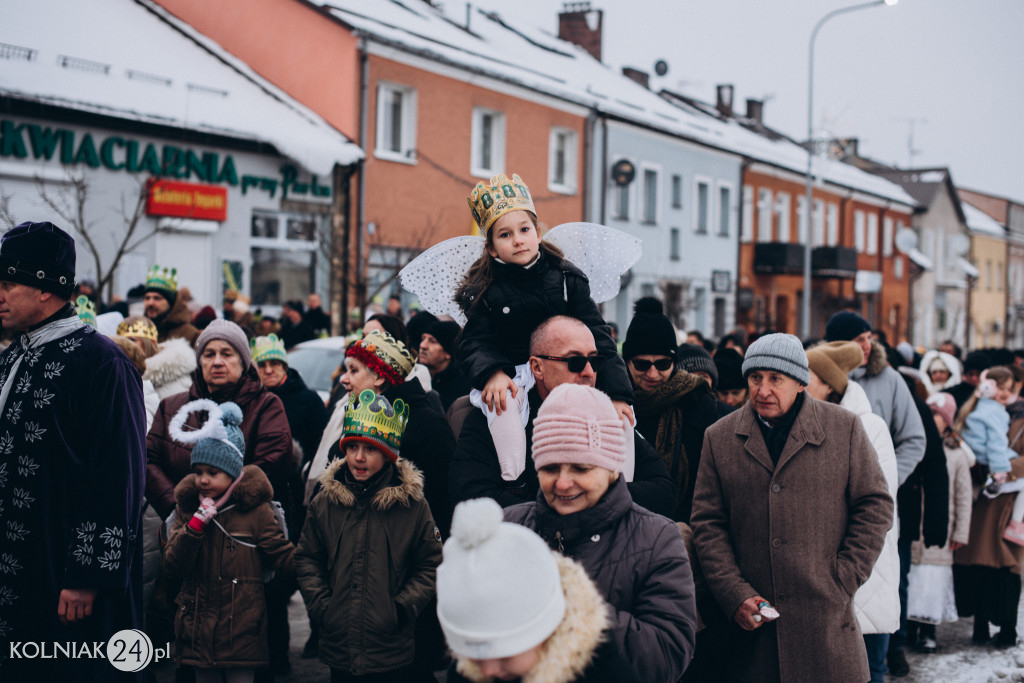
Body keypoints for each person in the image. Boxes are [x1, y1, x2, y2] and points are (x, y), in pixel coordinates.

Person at [691, 333, 893, 683]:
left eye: (775, 379)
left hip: (827, 628)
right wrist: (734, 593)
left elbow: (874, 505)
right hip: (751, 634)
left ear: (800, 382)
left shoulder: (843, 428)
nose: (763, 390)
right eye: (755, 378)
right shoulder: (719, 437)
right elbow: (708, 524)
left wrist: (844, 576)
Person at [0, 221, 146, 679]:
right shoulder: (11, 356)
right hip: (13, 566)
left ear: (45, 289)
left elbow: (119, 474)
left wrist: (87, 575)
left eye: (7, 284)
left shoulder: (102, 362)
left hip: (63, 576)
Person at [503, 384, 697, 682]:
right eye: (550, 468)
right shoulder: (509, 529)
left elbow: (665, 658)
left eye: (581, 469)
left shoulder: (659, 540)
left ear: (612, 469)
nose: (563, 483)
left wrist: (575, 608)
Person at [454, 173, 633, 487]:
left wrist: (618, 394)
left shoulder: (565, 278)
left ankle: (625, 485)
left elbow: (598, 334)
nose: (518, 240)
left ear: (537, 232)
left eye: (524, 230)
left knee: (621, 418)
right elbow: (474, 342)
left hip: (568, 368)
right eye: (505, 235)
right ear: (493, 248)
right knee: (503, 406)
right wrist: (492, 373)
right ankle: (515, 478)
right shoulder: (485, 291)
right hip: (512, 375)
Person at [450, 315, 676, 518]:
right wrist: (558, 515)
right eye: (574, 361)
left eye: (595, 361)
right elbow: (471, 497)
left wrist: (595, 496)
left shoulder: (607, 415)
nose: (588, 372)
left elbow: (664, 492)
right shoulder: (499, 414)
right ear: (537, 367)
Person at [296, 389, 442, 683]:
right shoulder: (325, 502)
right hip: (340, 647)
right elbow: (307, 558)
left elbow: (431, 564)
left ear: (388, 454)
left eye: (371, 449)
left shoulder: (411, 506)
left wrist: (401, 608)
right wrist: (324, 607)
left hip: (392, 647)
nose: (359, 458)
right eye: (352, 448)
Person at [439, 498, 642, 683]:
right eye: (472, 655)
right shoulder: (466, 674)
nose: (487, 671)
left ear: (546, 629)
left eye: (505, 655)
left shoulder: (603, 672)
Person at [163, 400, 295, 682]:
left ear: (234, 472)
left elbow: (281, 554)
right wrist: (194, 528)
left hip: (241, 629)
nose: (203, 480)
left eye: (213, 472)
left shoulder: (256, 511)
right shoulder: (187, 508)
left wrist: (311, 570)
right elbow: (173, 564)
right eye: (198, 472)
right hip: (197, 627)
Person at [805, 341, 900, 683]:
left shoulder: (870, 426)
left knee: (868, 669)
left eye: (808, 375)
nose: (798, 381)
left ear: (829, 384)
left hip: (864, 571)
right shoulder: (801, 422)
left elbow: (878, 500)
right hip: (821, 575)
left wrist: (846, 570)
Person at [622, 298, 722, 522]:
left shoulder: (697, 400)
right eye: (642, 364)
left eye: (663, 364)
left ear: (674, 362)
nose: (653, 374)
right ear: (627, 361)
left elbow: (709, 478)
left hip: (683, 523)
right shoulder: (614, 399)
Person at [954, 366, 1024, 647]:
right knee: (980, 563)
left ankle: (1007, 628)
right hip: (985, 495)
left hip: (1012, 499)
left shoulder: (1010, 412)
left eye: (1012, 387)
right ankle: (980, 623)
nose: (1007, 393)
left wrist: (1006, 470)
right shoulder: (989, 410)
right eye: (1003, 387)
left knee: (1010, 567)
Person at [825, 311, 927, 487]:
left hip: (877, 495)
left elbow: (913, 438)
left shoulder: (890, 379)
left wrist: (887, 480)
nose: (867, 346)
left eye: (869, 338)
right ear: (838, 344)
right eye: (859, 340)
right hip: (826, 491)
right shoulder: (819, 379)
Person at [907, 392, 973, 653]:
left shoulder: (956, 454)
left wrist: (961, 531)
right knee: (912, 583)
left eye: (938, 415)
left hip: (940, 534)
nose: (933, 419)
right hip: (915, 531)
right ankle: (909, 629)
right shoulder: (915, 445)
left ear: (948, 420)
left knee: (932, 584)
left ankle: (929, 631)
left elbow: (963, 497)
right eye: (930, 413)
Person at [252, 333, 328, 476]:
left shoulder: (310, 400)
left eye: (274, 363)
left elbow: (321, 447)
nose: (268, 370)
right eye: (262, 365)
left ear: (284, 366)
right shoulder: (251, 400)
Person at [117, 315, 196, 400]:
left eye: (131, 340)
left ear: (151, 342)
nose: (125, 346)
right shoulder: (121, 376)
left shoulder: (178, 382)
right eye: (122, 342)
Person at [143, 264, 201, 346]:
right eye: (147, 298)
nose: (150, 303)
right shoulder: (137, 331)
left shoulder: (191, 335)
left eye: (157, 298)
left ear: (171, 303)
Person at [420, 319, 471, 412]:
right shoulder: (414, 374)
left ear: (448, 353)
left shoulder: (460, 387)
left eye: (432, 341)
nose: (423, 345)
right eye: (423, 338)